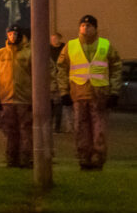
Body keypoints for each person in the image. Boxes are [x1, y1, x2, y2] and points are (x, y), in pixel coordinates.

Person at [57, 14, 124, 170]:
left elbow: (116, 68)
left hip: (99, 95)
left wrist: (114, 92)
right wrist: (64, 92)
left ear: (95, 28)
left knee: (99, 130)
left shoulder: (105, 45)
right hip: (78, 94)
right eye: (82, 25)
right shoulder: (70, 46)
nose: (85, 28)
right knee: (81, 129)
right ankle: (84, 159)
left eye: (88, 26)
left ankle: (97, 159)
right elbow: (62, 70)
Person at [0, 25, 38, 168]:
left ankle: (26, 158)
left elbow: (36, 76)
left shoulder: (29, 54)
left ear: (20, 36)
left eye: (15, 34)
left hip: (25, 100)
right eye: (10, 34)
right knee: (9, 131)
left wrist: (35, 98)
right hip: (6, 100)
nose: (12, 37)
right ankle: (11, 158)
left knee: (25, 130)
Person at [49, 32, 67, 133]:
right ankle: (50, 125)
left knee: (58, 104)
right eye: (52, 39)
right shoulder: (48, 49)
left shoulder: (64, 48)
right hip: (50, 80)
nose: (53, 41)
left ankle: (57, 127)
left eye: (55, 39)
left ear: (60, 38)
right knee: (50, 104)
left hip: (60, 79)